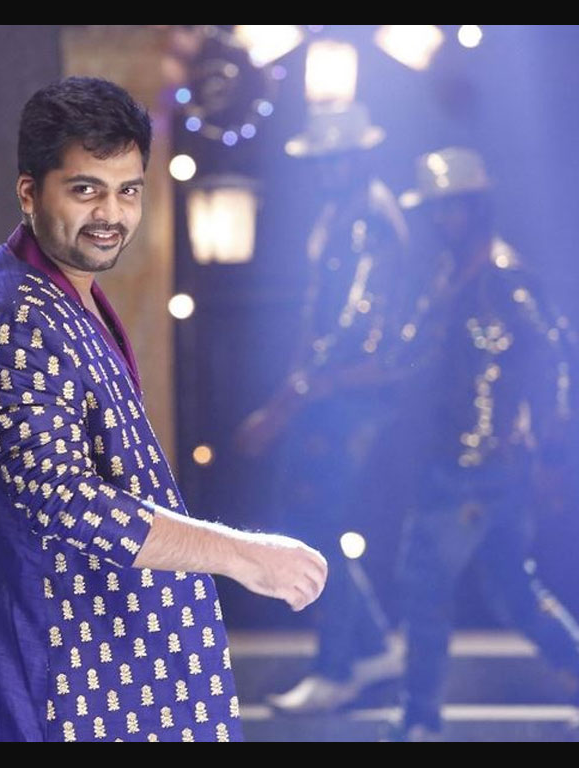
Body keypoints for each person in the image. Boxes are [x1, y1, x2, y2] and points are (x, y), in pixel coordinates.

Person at [0, 76, 328, 742]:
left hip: (80, 672)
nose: (111, 214)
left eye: (128, 191)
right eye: (85, 189)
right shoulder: (11, 321)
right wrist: (243, 555)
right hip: (25, 682)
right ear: (30, 193)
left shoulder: (65, 295)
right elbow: (64, 501)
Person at [387, 146, 579, 741]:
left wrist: (550, 448)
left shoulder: (504, 274)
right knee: (512, 588)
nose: (444, 219)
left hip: (477, 466)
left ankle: (419, 718)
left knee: (426, 586)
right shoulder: (448, 276)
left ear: (478, 206)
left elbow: (556, 356)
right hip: (459, 462)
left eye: (454, 206)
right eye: (436, 209)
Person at [237, 103, 409, 714]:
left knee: (314, 527)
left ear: (358, 157)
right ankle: (370, 647)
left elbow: (356, 325)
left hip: (346, 395)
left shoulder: (367, 218)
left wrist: (290, 399)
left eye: (336, 159)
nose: (326, 170)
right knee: (313, 524)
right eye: (322, 161)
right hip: (334, 392)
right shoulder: (350, 211)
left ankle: (340, 666)